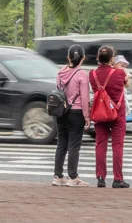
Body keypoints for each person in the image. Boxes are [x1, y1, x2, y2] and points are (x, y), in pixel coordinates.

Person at [91, 45, 130, 188]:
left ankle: (100, 177)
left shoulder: (92, 74)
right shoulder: (119, 73)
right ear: (112, 59)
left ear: (98, 58)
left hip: (100, 112)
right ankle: (117, 179)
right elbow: (127, 85)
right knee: (117, 145)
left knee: (100, 145)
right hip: (117, 114)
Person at [53, 44, 90, 187]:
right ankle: (73, 177)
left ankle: (58, 176)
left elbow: (59, 91)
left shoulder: (60, 73)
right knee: (74, 146)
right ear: (83, 58)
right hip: (76, 112)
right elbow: (85, 98)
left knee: (61, 144)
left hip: (61, 112)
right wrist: (87, 116)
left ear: (68, 57)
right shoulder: (82, 74)